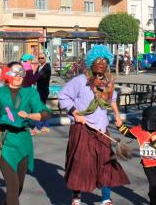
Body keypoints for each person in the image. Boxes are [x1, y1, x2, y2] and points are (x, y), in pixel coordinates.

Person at [58, 45, 129, 205]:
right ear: (91, 62)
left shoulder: (107, 82)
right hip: (82, 129)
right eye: (98, 60)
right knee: (80, 164)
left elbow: (112, 100)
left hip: (101, 130)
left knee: (106, 163)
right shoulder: (80, 81)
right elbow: (63, 96)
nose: (101, 63)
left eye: (104, 60)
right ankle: (76, 196)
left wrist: (117, 115)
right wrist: (75, 113)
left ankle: (105, 198)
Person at [0, 61, 51, 205]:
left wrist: (30, 116)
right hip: (4, 141)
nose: (18, 76)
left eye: (21, 73)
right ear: (7, 73)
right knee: (12, 186)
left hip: (23, 142)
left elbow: (45, 113)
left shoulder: (30, 92)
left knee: (18, 187)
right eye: (15, 72)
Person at [117, 106, 156, 205]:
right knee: (153, 185)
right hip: (147, 165)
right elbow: (128, 133)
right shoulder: (139, 130)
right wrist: (120, 126)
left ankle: (152, 194)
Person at [31, 52, 52, 134]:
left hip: (43, 89)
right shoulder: (40, 66)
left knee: (38, 108)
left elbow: (39, 77)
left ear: (45, 58)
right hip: (39, 89)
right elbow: (35, 76)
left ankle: (38, 127)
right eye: (39, 58)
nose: (40, 59)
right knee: (42, 108)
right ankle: (45, 126)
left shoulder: (47, 67)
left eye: (42, 58)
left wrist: (35, 78)